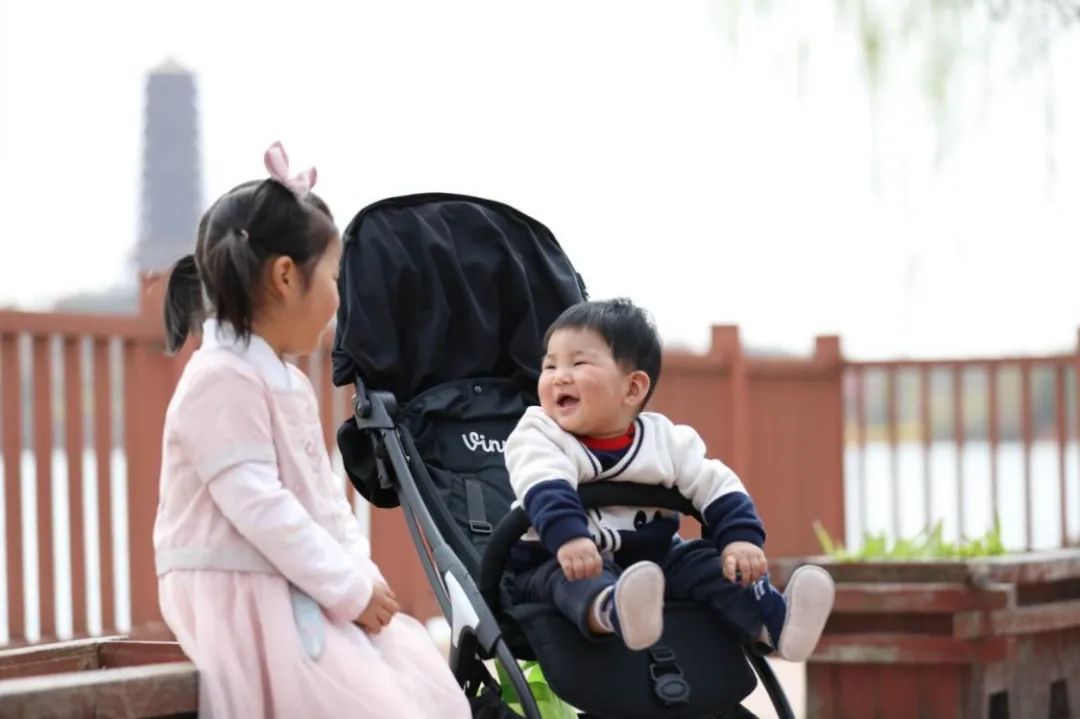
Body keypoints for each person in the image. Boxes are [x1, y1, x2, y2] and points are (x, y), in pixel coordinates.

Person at [153, 142, 471, 718]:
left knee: (419, 686)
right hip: (241, 590)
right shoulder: (220, 378)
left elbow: (323, 502)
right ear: (284, 276)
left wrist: (360, 575)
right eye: (333, 275)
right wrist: (347, 589)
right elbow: (260, 507)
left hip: (295, 578)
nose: (338, 297)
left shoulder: (285, 382)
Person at [505, 298, 835, 659]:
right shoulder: (540, 434)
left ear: (632, 388)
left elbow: (716, 484)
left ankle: (775, 625)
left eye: (578, 363)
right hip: (558, 558)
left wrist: (740, 539)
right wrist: (569, 537)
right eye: (550, 365)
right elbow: (545, 484)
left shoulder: (666, 440)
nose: (559, 376)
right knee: (574, 579)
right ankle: (614, 610)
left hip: (655, 562)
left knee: (710, 564)